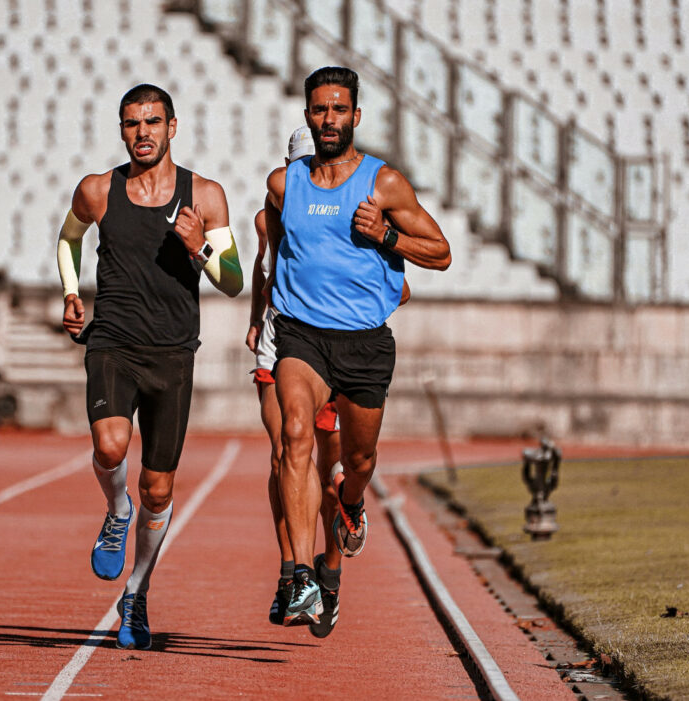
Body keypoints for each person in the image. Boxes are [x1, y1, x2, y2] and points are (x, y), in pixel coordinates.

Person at [58, 83, 243, 650]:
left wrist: (200, 248)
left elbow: (234, 282)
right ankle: (117, 509)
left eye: (153, 122)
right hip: (112, 341)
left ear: (172, 126)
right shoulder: (97, 190)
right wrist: (71, 292)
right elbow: (68, 240)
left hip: (173, 353)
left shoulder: (205, 196)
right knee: (110, 448)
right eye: (133, 123)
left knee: (159, 490)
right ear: (121, 130)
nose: (143, 133)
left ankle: (135, 595)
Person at [264, 67, 450, 626]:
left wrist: (385, 236)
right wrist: (261, 316)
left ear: (356, 116)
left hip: (364, 343)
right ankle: (297, 575)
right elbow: (275, 255)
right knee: (295, 433)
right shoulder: (282, 184)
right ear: (307, 117)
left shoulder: (382, 183)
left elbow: (440, 253)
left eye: (339, 109)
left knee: (357, 461)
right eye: (319, 110)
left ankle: (348, 504)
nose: (329, 119)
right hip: (302, 335)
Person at [247, 126, 412, 637]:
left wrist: (355, 293)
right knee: (286, 453)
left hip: (345, 342)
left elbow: (401, 287)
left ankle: (331, 572)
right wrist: (258, 318)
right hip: (289, 338)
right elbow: (264, 267)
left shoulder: (353, 205)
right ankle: (292, 575)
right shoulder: (271, 211)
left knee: (334, 468)